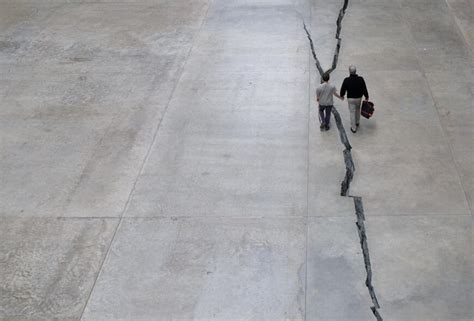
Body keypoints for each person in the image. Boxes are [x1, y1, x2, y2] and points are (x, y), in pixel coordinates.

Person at [340, 65, 369, 133]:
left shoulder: (346, 80)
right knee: (358, 109)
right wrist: (366, 96)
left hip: (350, 99)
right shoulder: (361, 79)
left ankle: (353, 128)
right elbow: (364, 88)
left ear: (349, 72)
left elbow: (343, 89)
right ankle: (357, 122)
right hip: (359, 98)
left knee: (352, 112)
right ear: (355, 71)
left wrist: (342, 95)